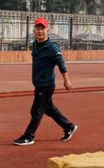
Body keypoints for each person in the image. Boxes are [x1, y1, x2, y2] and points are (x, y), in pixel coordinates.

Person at [12, 17, 77, 147]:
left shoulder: (52, 47)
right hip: (38, 83)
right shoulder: (35, 44)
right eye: (38, 28)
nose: (40, 31)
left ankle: (28, 136)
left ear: (48, 30)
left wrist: (66, 80)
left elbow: (61, 64)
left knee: (36, 111)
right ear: (34, 29)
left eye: (42, 28)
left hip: (46, 84)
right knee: (49, 109)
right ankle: (68, 126)